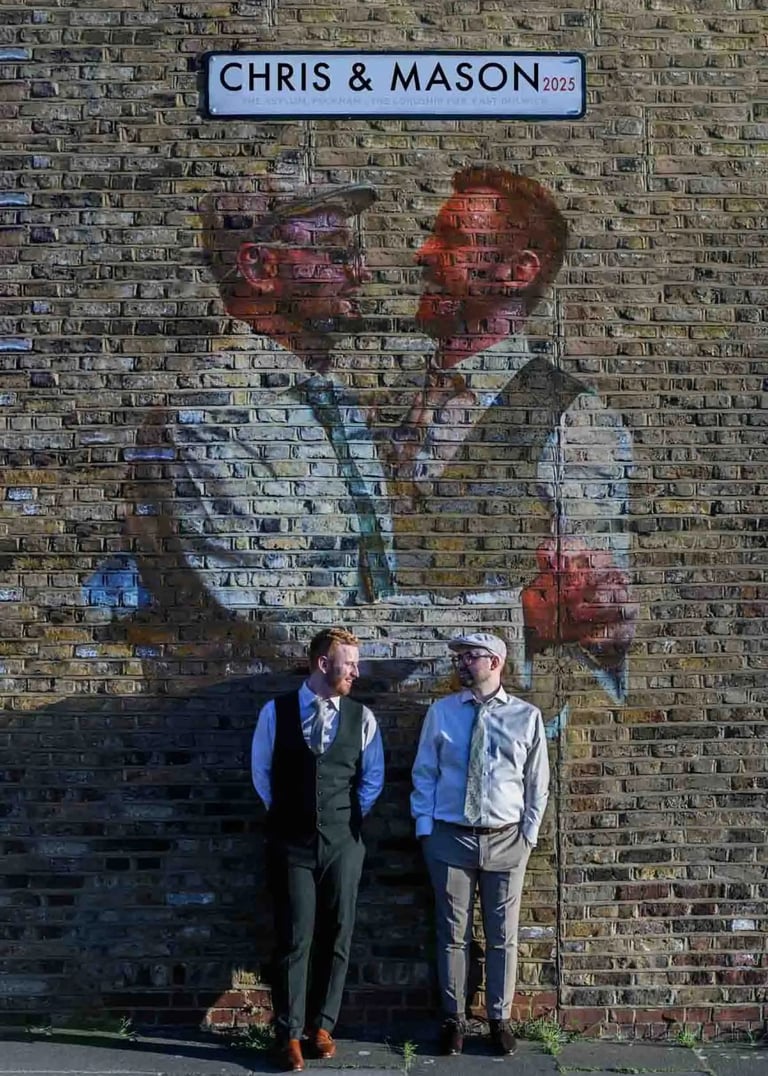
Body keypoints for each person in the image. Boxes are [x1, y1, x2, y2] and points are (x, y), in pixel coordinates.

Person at [386, 167, 636, 708]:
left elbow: (597, 631)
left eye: (451, 239)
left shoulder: (571, 421)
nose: (423, 255)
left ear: (518, 271)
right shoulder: (393, 406)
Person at [251, 626, 384, 1072]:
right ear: (324, 663)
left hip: (344, 842)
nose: (356, 673)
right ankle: (287, 1032)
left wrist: (342, 820)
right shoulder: (276, 712)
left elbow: (371, 780)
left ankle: (322, 1026)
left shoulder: (361, 718)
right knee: (295, 936)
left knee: (339, 931)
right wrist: (293, 814)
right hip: (291, 841)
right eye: (350, 664)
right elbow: (261, 773)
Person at [410, 631, 550, 1056]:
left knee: (502, 934)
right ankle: (454, 1018)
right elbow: (425, 772)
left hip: (507, 838)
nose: (462, 664)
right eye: (460, 657)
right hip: (449, 837)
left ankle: (498, 1019)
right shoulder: (442, 713)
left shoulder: (526, 717)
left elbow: (536, 784)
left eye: (471, 657)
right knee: (452, 932)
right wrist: (425, 829)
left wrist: (528, 834)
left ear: (495, 662)